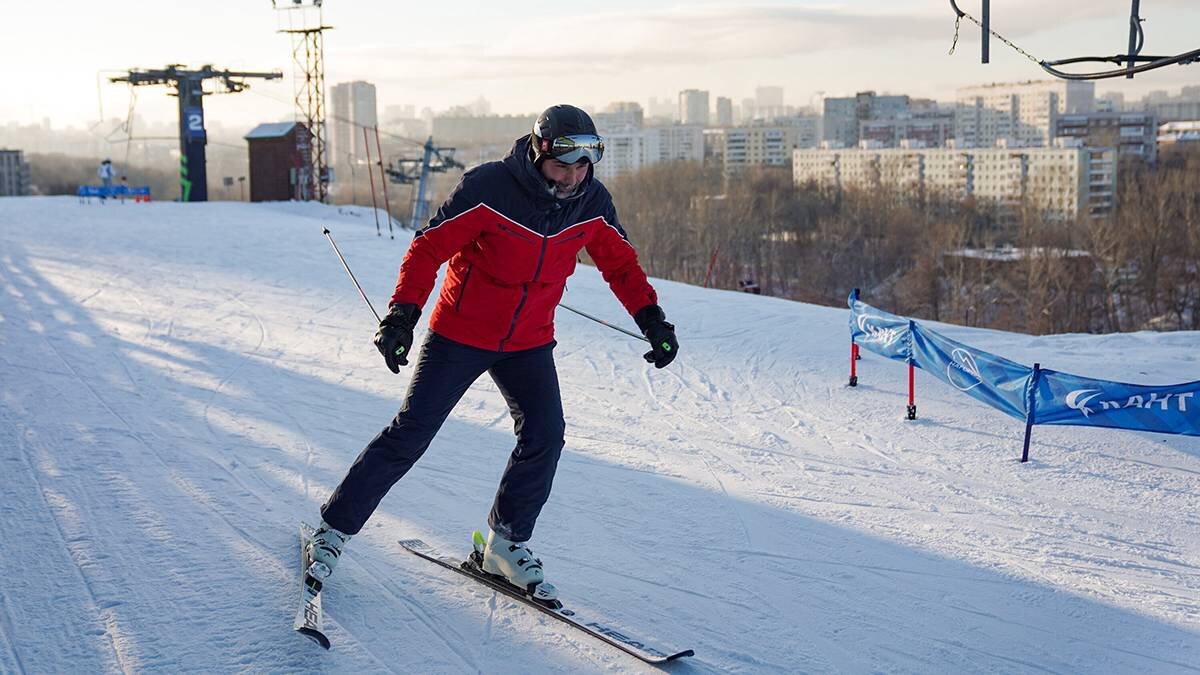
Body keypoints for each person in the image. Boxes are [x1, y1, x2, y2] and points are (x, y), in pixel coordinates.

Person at [307, 105, 679, 598]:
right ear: (539, 150)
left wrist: (651, 319)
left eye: (583, 165)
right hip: (460, 333)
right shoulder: (489, 189)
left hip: (528, 340)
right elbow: (427, 249)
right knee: (412, 433)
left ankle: (503, 545)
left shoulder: (591, 202)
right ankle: (332, 530)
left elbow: (622, 266)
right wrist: (402, 316)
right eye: (563, 164)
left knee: (546, 435)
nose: (572, 177)